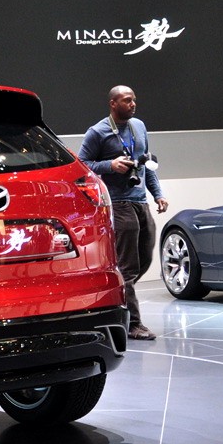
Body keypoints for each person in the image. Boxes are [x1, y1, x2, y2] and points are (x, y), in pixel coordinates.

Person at [78, 85, 168, 341]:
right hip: (118, 203)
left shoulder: (139, 127)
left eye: (134, 100)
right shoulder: (97, 132)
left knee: (145, 258)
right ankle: (132, 324)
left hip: (140, 201)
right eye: (127, 100)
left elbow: (146, 164)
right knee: (128, 267)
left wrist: (157, 194)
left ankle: (115, 296)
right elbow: (82, 165)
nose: (133, 104)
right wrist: (110, 165)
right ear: (113, 103)